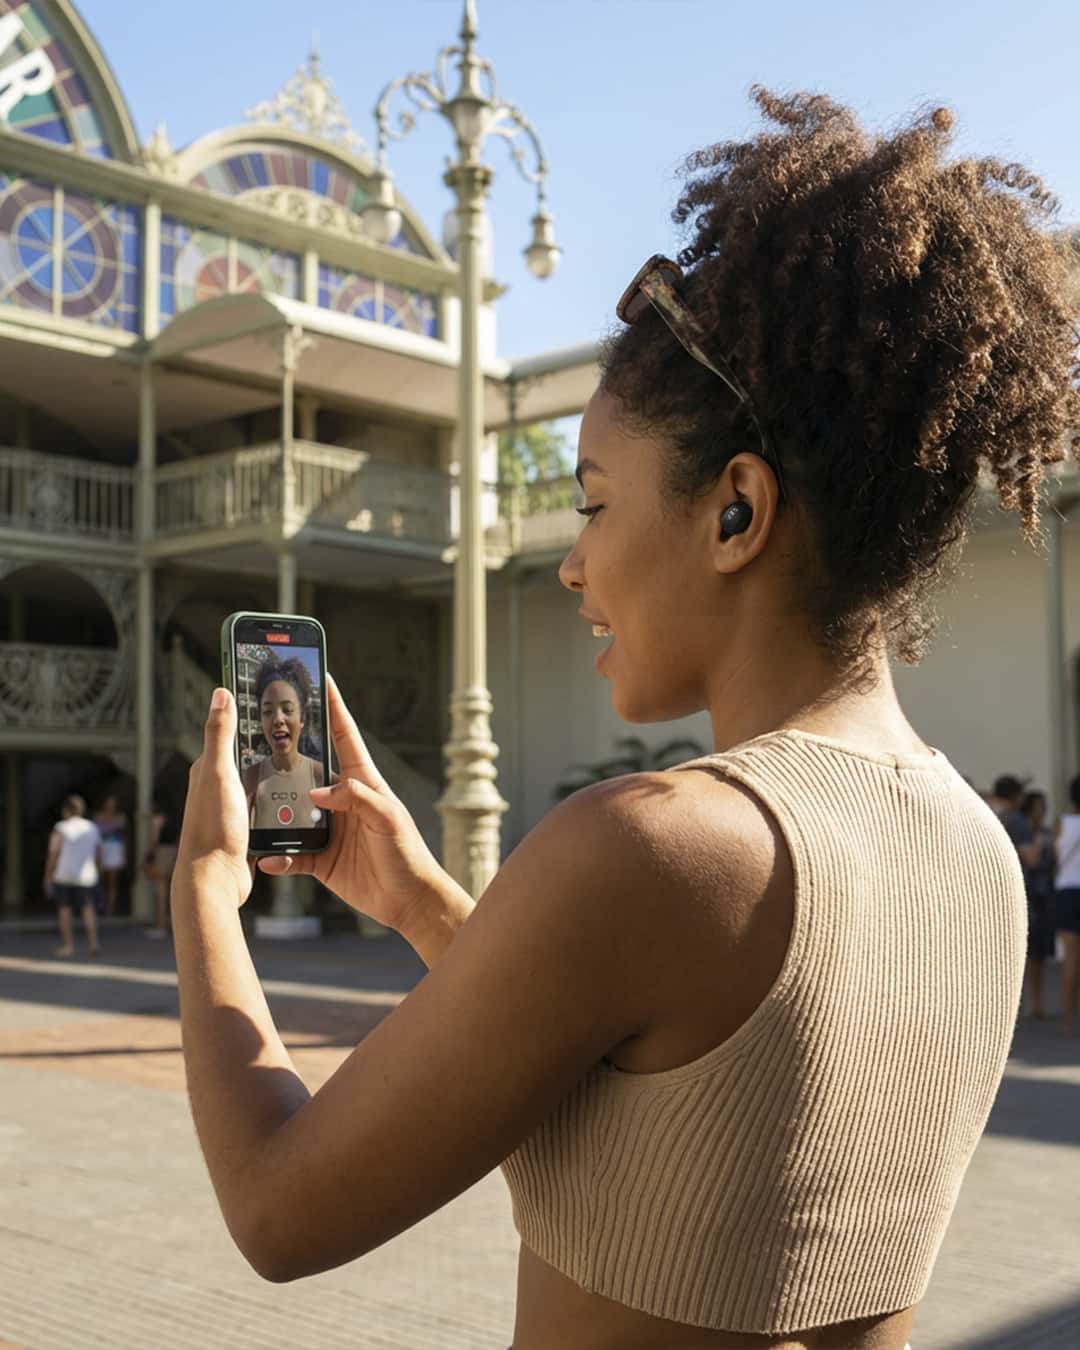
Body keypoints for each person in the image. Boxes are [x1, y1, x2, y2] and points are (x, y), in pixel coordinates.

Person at [170, 90, 1078, 1350]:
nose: (571, 563)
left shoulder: (655, 847)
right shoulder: (976, 851)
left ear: (735, 514)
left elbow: (280, 1211)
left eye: (593, 505)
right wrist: (426, 900)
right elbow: (668, 1105)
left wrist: (208, 898)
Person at [241, 657, 325, 830]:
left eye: (287, 710)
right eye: (267, 711)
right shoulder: (251, 778)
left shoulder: (323, 777)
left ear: (302, 717)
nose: (278, 719)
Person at [44, 795, 102, 959]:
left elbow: (53, 853)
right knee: (88, 909)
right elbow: (99, 852)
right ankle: (93, 943)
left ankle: (68, 946)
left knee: (64, 910)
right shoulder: (92, 828)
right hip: (86, 875)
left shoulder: (60, 828)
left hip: (64, 874)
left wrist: (48, 874)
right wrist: (99, 869)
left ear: (67, 810)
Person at [1019, 789, 1056, 1020]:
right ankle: (1022, 1001)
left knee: (1039, 954)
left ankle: (1038, 1002)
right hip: (1026, 895)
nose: (1041, 812)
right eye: (1038, 807)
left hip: (1043, 897)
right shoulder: (1024, 833)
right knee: (1024, 952)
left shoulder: (1047, 833)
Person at [1052, 774, 1080, 1037]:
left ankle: (1068, 1019)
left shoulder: (1061, 824)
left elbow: (1055, 855)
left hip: (1066, 891)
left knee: (1070, 959)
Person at [144, 799, 181, 938]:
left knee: (161, 892)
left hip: (162, 853)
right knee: (174, 892)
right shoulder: (177, 820)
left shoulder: (157, 820)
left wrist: (149, 857)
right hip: (175, 853)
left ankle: (161, 926)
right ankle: (175, 926)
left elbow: (154, 840)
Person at [94, 794, 129, 917]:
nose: (111, 806)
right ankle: (99, 905)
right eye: (109, 802)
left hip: (115, 849)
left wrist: (124, 855)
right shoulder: (98, 817)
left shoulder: (121, 818)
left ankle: (110, 909)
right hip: (102, 849)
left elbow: (124, 837)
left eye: (113, 803)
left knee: (112, 882)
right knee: (99, 879)